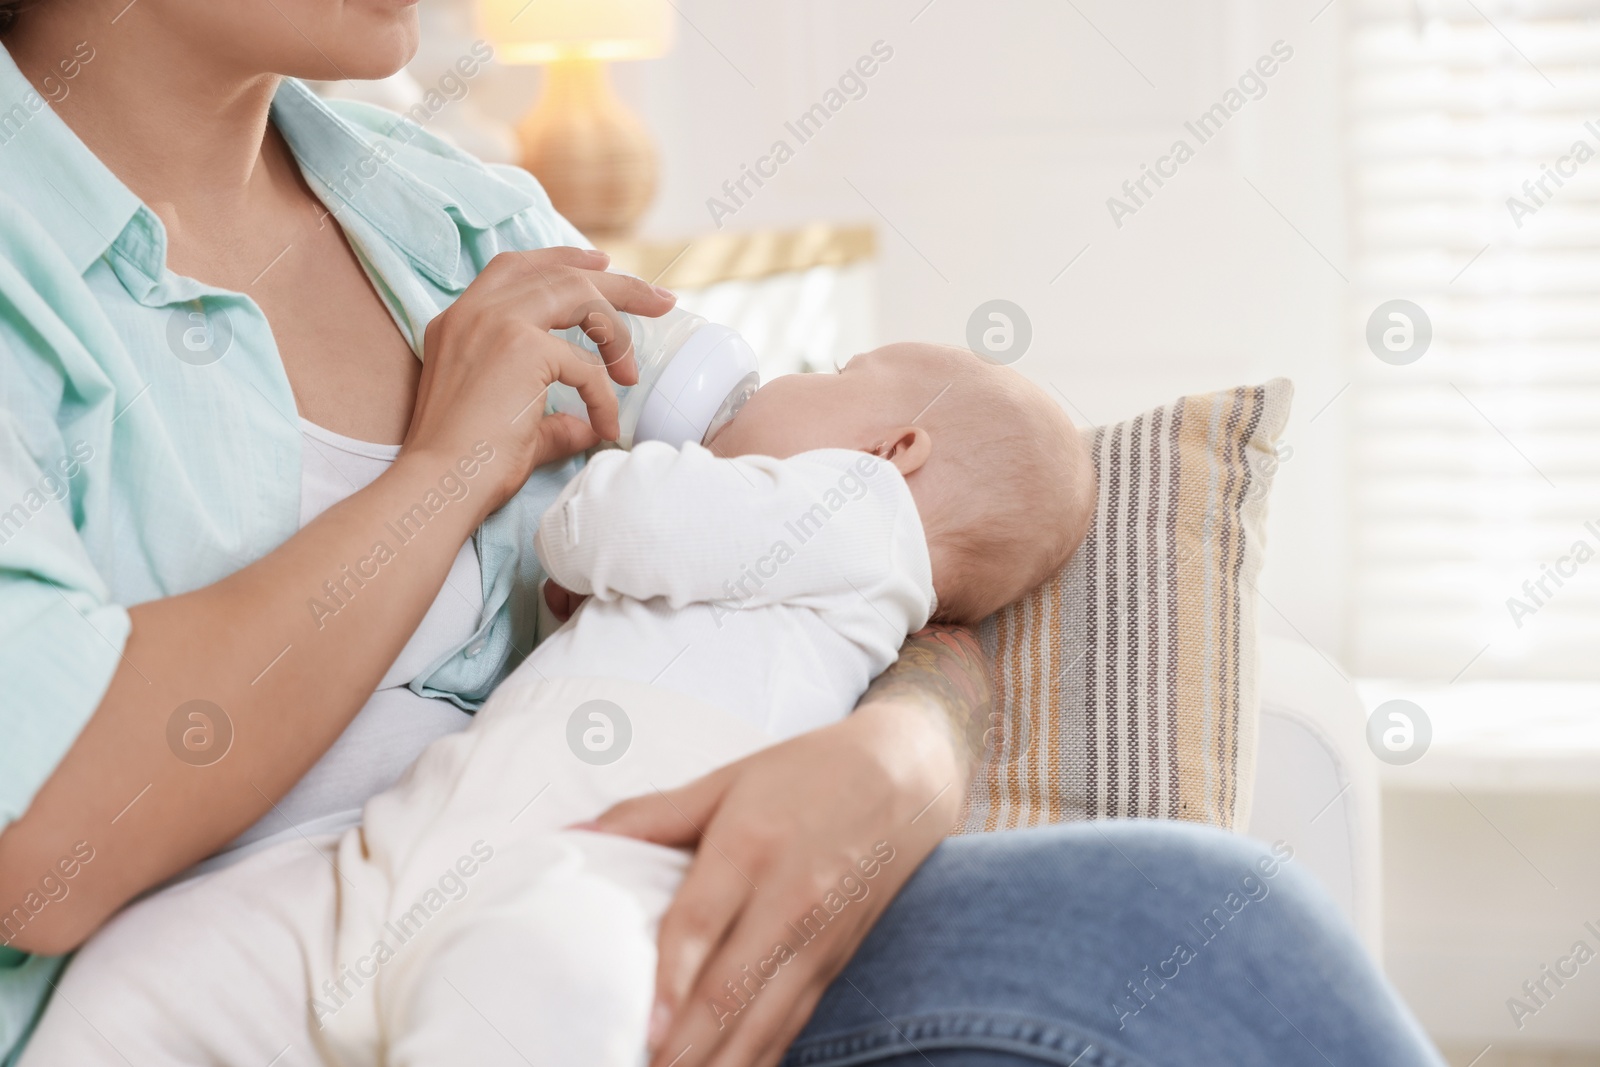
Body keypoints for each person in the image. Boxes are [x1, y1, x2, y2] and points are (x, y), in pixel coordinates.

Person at [0, 2, 1446, 1065]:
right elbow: (45, 843)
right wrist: (446, 469)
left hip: (609, 937)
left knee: (1209, 924)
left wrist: (899, 757)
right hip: (245, 1001)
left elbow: (845, 519)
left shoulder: (446, 209)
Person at [23, 342, 1097, 1065]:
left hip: (587, 866)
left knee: (553, 975)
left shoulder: (857, 510)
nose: (785, 376)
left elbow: (613, 520)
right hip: (410, 847)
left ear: (893, 451)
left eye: (833, 368)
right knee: (157, 965)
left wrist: (598, 510)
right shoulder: (828, 558)